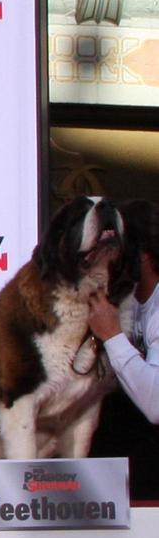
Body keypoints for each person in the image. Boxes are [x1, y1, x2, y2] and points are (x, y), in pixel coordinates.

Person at [89, 199, 159, 498]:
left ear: (141, 253)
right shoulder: (130, 300)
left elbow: (156, 405)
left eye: (115, 246)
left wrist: (113, 336)